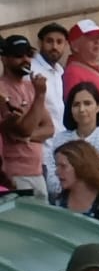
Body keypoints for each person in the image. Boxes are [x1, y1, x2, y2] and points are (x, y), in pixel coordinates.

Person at [44, 85, 99, 198]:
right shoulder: (60, 139)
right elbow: (52, 181)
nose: (82, 109)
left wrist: (70, 180)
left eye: (87, 103)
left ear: (98, 106)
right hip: (67, 204)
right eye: (76, 104)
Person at [1, 33, 54, 198]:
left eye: (28, 54)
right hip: (15, 175)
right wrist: (39, 96)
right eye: (18, 55)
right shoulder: (2, 90)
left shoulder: (31, 86)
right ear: (4, 58)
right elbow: (23, 128)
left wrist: (27, 136)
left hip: (38, 171)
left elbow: (49, 128)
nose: (25, 59)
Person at [47, 141, 99, 233]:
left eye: (63, 166)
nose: (56, 172)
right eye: (56, 166)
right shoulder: (59, 201)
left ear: (81, 166)